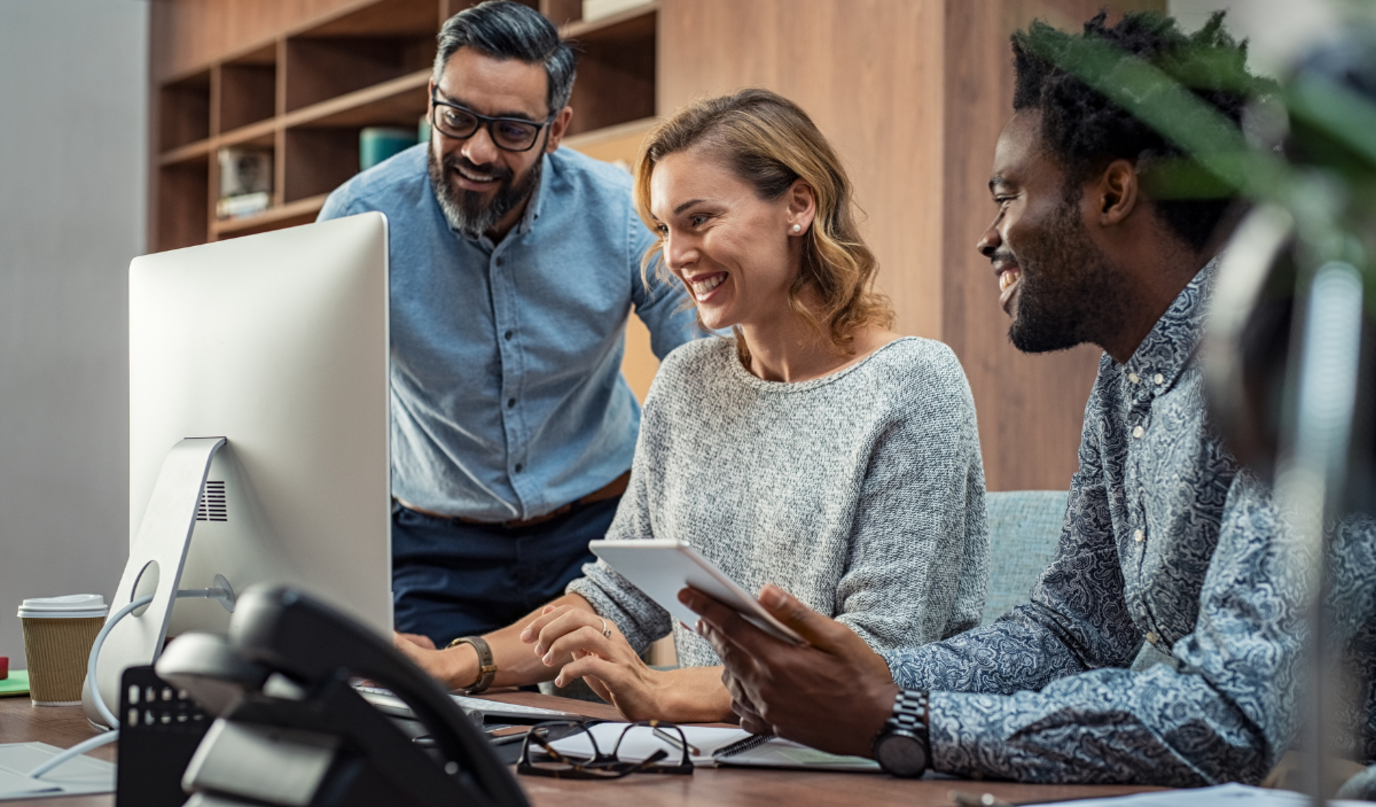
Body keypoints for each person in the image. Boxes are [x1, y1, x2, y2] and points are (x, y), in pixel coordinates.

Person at [684, 12, 1376, 785]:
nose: (990, 236)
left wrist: (900, 719)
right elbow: (1072, 633)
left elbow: (1226, 713)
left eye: (1008, 195)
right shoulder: (1126, 380)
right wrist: (865, 676)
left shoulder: (1300, 349)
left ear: (1113, 192)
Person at [396, 88, 988, 722]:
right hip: (716, 753)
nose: (674, 256)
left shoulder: (914, 383)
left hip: (862, 757)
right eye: (664, 229)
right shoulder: (685, 381)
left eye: (699, 219)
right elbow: (616, 598)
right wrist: (458, 663)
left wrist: (662, 692)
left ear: (798, 204)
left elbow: (877, 656)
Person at [317, 0, 699, 653]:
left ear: (556, 129)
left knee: (602, 742)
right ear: (432, 97)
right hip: (437, 547)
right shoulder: (359, 220)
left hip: (596, 536)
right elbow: (315, 405)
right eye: (457, 117)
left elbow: (704, 362)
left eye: (513, 131)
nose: (476, 150)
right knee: (434, 734)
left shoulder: (619, 213)